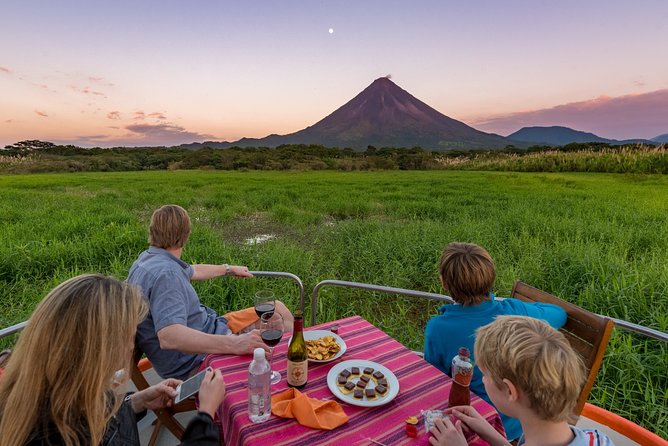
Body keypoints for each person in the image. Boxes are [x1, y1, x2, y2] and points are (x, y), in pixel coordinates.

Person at [0, 274, 226, 446]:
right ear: (98, 350)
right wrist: (205, 415)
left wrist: (137, 402)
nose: (132, 345)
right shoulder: (63, 437)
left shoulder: (42, 393)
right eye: (130, 335)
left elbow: (93, 414)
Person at [128, 204, 294, 380]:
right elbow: (169, 337)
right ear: (187, 234)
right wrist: (235, 343)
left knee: (277, 310)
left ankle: (291, 362)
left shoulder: (148, 260)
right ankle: (290, 373)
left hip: (211, 330)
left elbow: (192, 270)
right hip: (196, 361)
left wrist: (229, 269)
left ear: (153, 231)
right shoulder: (167, 275)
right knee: (276, 325)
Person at [424, 242, 567, 440]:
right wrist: (528, 306)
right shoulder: (514, 311)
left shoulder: (438, 327)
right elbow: (559, 314)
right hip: (519, 422)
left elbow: (436, 378)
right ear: (490, 278)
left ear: (444, 283)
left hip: (473, 426)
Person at [429, 316, 614, 446]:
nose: (484, 380)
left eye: (485, 375)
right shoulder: (597, 439)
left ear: (510, 391)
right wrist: (491, 433)